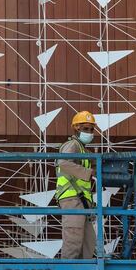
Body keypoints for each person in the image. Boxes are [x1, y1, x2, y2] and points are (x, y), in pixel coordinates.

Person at [55, 111, 97, 259]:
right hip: (71, 198)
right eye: (86, 129)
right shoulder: (72, 145)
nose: (90, 132)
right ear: (76, 129)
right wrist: (88, 173)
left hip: (82, 202)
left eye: (91, 129)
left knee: (88, 241)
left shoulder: (83, 150)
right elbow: (64, 162)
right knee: (73, 239)